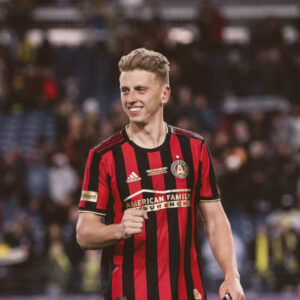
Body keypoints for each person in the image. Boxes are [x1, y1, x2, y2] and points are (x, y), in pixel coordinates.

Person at [76, 48, 245, 300]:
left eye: (140, 89)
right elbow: (84, 232)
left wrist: (231, 274)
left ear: (164, 93)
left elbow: (214, 219)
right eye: (125, 90)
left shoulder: (194, 147)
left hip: (187, 292)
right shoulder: (104, 156)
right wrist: (118, 230)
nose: (130, 98)